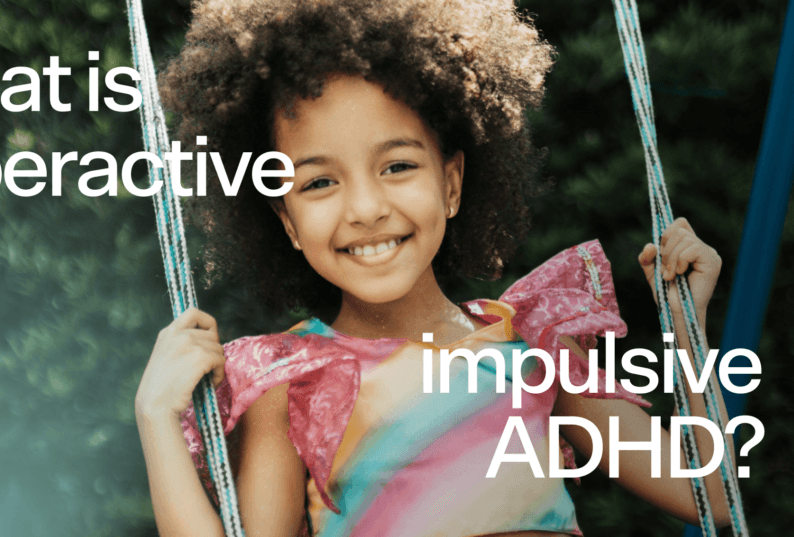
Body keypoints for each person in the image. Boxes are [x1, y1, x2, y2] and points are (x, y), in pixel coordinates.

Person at [133, 1, 734, 535]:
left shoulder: (532, 349)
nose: (366, 209)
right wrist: (157, 417)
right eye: (319, 182)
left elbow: (712, 497)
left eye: (397, 166)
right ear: (286, 221)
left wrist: (688, 325)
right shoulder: (293, 383)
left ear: (451, 182)